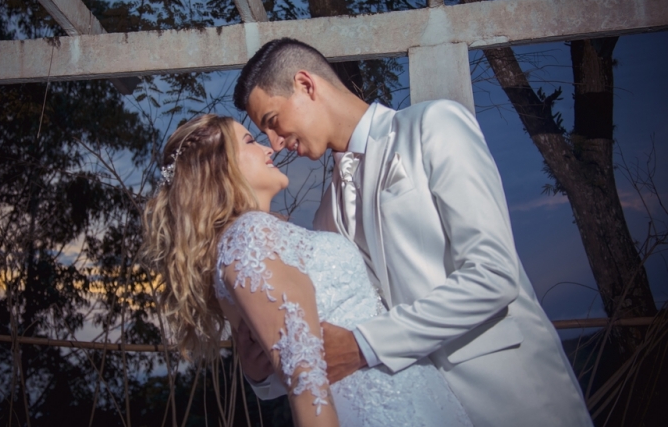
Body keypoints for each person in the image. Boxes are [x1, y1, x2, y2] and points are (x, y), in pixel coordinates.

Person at [232, 38, 594, 427]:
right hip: (423, 410)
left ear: (306, 84)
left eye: (272, 121)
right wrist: (261, 375)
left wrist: (363, 345)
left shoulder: (433, 125)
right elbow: (330, 336)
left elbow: (494, 274)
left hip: (515, 398)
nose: (275, 143)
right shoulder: (326, 216)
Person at [142, 114, 472, 427]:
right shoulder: (249, 236)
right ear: (220, 168)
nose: (268, 147)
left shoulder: (239, 245)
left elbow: (279, 356)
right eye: (249, 142)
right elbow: (305, 379)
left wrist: (258, 376)